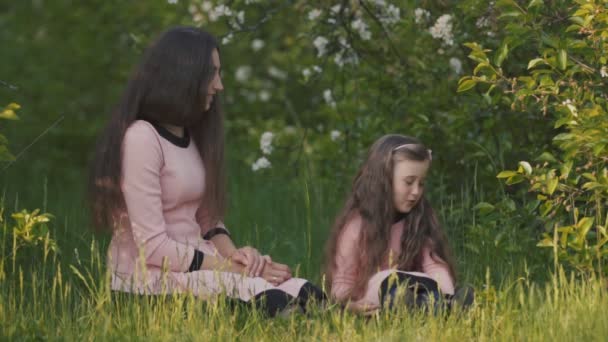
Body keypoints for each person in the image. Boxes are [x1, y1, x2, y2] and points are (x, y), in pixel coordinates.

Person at [88, 26, 323, 317]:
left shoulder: (192, 136)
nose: (219, 85)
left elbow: (208, 220)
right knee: (276, 304)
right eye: (213, 73)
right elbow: (152, 247)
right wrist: (230, 268)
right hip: (150, 281)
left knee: (306, 294)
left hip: (201, 267)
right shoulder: (141, 138)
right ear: (184, 74)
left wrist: (241, 258)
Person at [323, 134, 473, 315]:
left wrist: (447, 292)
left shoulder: (418, 219)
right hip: (377, 297)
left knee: (423, 287)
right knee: (387, 284)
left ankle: (445, 304)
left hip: (415, 287)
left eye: (421, 183)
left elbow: (433, 265)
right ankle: (422, 307)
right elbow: (342, 283)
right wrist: (352, 307)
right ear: (384, 180)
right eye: (409, 182)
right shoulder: (356, 227)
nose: (416, 191)